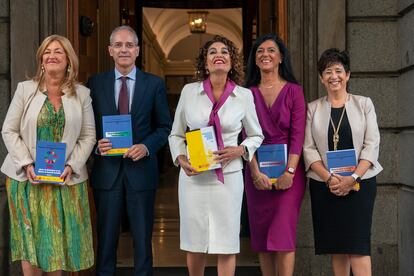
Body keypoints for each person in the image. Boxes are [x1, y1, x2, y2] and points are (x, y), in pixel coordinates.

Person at [168, 35, 264, 276]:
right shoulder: (189, 92)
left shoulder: (244, 95)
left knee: (227, 242)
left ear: (232, 62)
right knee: (194, 241)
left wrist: (240, 149)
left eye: (224, 51)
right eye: (212, 52)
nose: (218, 54)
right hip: (194, 178)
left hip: (228, 179)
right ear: (206, 62)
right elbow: (175, 135)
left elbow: (256, 135)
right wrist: (181, 159)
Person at [1, 35, 96, 275]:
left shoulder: (82, 94)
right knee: (31, 243)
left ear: (69, 60)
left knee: (57, 243)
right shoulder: (25, 89)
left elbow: (88, 136)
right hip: (27, 179)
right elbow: (9, 130)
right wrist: (27, 164)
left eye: (59, 52)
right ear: (42, 59)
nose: (52, 56)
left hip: (66, 180)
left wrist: (72, 166)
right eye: (47, 52)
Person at [87, 25, 172, 276]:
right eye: (118, 45)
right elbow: (85, 128)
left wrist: (146, 147)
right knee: (106, 242)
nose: (124, 49)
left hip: (141, 173)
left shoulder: (154, 84)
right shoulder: (95, 83)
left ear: (137, 50)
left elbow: (164, 127)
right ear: (110, 50)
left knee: (143, 241)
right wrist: (96, 146)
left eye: (129, 45)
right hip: (107, 174)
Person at [303, 48, 383, 276]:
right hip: (325, 183)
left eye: (339, 70)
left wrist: (352, 178)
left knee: (358, 247)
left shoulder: (364, 104)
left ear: (347, 75)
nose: (333, 76)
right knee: (336, 248)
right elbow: (308, 149)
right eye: (328, 71)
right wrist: (330, 178)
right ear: (321, 77)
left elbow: (372, 144)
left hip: (360, 183)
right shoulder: (313, 108)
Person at [243, 33, 307, 276]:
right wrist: (255, 172)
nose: (265, 54)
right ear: (255, 60)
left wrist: (289, 171)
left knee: (283, 234)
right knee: (261, 236)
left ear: (281, 57)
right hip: (256, 170)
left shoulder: (294, 91)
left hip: (289, 173)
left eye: (271, 50)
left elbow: (298, 135)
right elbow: (243, 136)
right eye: (259, 51)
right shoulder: (245, 93)